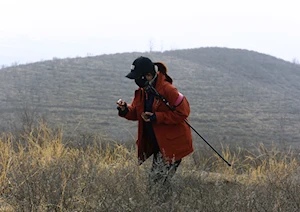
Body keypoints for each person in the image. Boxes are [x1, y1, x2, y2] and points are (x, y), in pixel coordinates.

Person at [116, 56, 193, 190]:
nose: (136, 81)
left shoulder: (168, 90)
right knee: (157, 184)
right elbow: (135, 112)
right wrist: (125, 110)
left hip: (172, 144)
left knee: (156, 185)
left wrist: (156, 117)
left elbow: (183, 113)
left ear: (149, 75)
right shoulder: (142, 92)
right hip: (159, 145)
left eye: (138, 77)